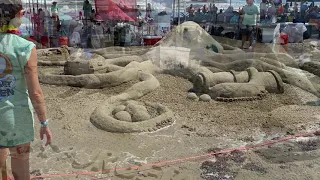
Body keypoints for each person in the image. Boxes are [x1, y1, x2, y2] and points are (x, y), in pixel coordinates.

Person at [0, 1, 52, 179]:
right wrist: (44, 123)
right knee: (20, 166)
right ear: (17, 15)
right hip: (16, 119)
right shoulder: (25, 47)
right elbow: (35, 92)